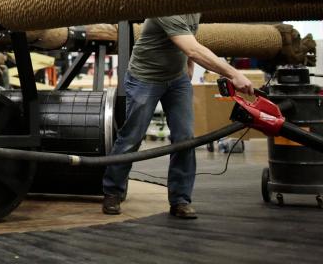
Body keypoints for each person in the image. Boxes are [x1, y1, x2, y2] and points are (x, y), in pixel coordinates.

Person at [102, 14, 255, 219]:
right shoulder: (166, 7)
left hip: (177, 79)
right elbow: (192, 48)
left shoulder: (194, 8)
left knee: (185, 138)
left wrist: (189, 66)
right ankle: (113, 192)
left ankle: (180, 200)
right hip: (145, 78)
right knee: (132, 137)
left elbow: (190, 39)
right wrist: (234, 74)